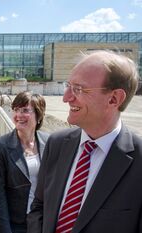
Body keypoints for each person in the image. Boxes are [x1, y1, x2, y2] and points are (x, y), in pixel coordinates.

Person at [27, 50, 142, 233]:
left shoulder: (138, 160)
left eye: (78, 89)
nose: (66, 97)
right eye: (68, 86)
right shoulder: (56, 144)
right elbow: (39, 206)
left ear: (114, 99)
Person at [0, 91, 49, 233]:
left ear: (38, 114)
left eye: (25, 110)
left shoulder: (49, 142)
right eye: (16, 109)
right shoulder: (1, 146)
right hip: (16, 224)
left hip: (43, 221)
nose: (19, 115)